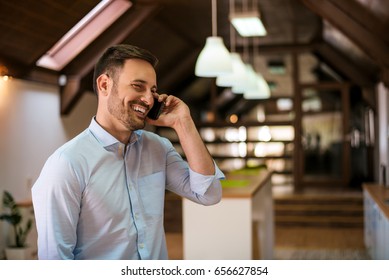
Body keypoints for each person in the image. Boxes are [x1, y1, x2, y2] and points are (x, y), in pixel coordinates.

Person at [32, 44, 224, 260]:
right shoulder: (66, 164)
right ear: (104, 84)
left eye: (152, 90)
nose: (149, 99)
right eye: (137, 86)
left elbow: (209, 194)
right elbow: (55, 261)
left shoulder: (158, 147)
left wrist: (183, 122)